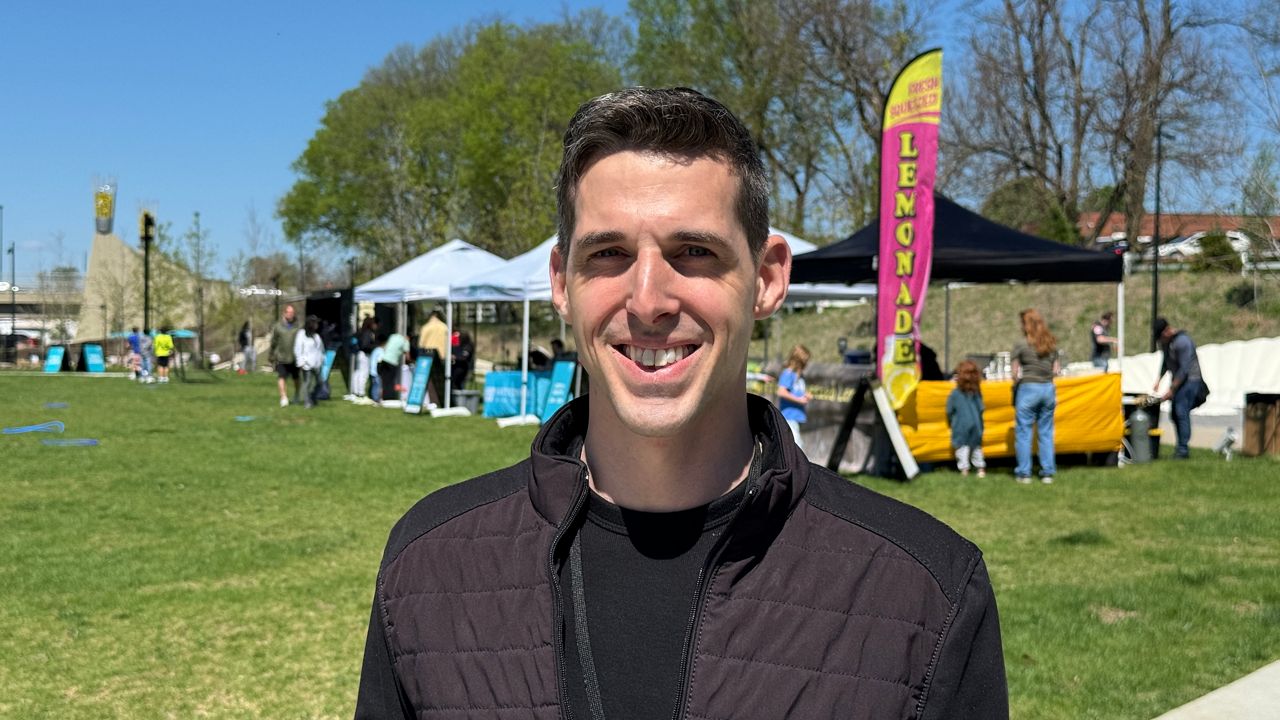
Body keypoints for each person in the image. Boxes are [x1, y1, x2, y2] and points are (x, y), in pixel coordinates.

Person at [354, 87, 1007, 720]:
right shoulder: (430, 566)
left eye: (694, 252)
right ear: (561, 283)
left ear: (767, 278)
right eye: (608, 253)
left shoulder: (926, 595)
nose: (648, 301)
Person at [1012, 308, 1060, 484]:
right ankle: (1047, 472)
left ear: (1026, 325)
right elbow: (1056, 370)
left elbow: (1015, 373)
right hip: (1048, 389)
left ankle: (1024, 473)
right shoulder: (1050, 344)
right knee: (1046, 432)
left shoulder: (1021, 344)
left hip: (1028, 389)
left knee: (1024, 433)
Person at [1153, 318, 1208, 460]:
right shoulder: (1167, 343)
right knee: (1175, 414)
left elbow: (1184, 369)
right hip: (1178, 381)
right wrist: (1159, 380)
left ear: (1166, 331)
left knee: (1181, 411)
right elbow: (1166, 362)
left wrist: (1171, 390)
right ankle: (1180, 447)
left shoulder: (1183, 342)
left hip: (1191, 381)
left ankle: (1182, 450)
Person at [947, 359, 987, 478]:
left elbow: (949, 410)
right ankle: (980, 469)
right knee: (976, 448)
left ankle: (964, 470)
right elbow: (981, 408)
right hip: (977, 425)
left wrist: (951, 421)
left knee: (962, 449)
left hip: (960, 426)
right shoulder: (977, 393)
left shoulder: (955, 394)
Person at [776, 344, 811, 450]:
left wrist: (805, 395)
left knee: (797, 447)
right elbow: (781, 392)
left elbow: (796, 391)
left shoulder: (799, 376)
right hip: (788, 417)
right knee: (797, 448)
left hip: (797, 417)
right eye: (805, 361)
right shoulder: (788, 374)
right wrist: (799, 400)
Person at [269, 304, 301, 407]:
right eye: (289, 312)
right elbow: (273, 342)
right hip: (281, 357)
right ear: (284, 313)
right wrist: (271, 355)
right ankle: (283, 397)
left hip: (294, 357)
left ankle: (297, 395)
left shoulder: (298, 326)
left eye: (292, 312)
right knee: (281, 376)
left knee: (296, 378)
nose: (290, 314)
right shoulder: (278, 327)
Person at [417, 307, 448, 405]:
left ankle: (433, 400)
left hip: (427, 356)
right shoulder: (445, 327)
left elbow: (421, 344)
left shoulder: (426, 327)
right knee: (441, 379)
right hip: (442, 356)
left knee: (429, 380)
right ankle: (442, 399)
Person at [293, 315, 325, 409]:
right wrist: (301, 362)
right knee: (307, 383)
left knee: (320, 383)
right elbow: (297, 348)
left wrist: (321, 359)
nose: (317, 325)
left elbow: (321, 349)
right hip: (306, 364)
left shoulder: (316, 336)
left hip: (316, 364)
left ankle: (313, 397)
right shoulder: (301, 334)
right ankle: (307, 402)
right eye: (315, 323)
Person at [378, 328, 410, 403]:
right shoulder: (405, 341)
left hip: (383, 359)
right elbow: (407, 356)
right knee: (390, 381)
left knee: (384, 380)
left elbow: (386, 347)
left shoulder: (393, 336)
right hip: (392, 362)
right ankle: (388, 398)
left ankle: (382, 398)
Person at [353, 317, 378, 399]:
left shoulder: (362, 331)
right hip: (365, 354)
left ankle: (356, 390)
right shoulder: (368, 333)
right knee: (363, 373)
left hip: (360, 353)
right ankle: (361, 392)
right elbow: (365, 345)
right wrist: (374, 346)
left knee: (358, 372)